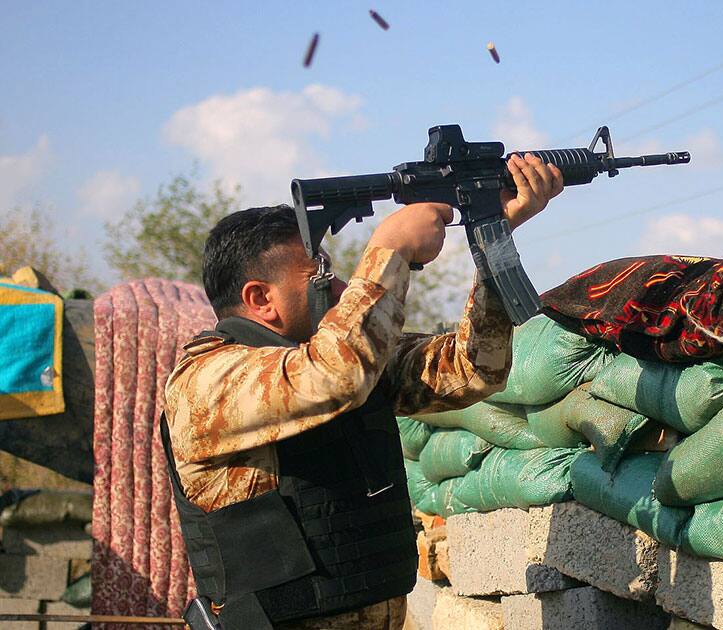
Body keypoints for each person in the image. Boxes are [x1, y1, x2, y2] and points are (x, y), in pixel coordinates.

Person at [162, 153, 564, 629]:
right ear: (260, 299)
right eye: (318, 275)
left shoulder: (334, 361)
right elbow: (337, 376)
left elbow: (472, 369)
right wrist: (391, 247)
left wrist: (493, 238)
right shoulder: (207, 382)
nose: (336, 287)